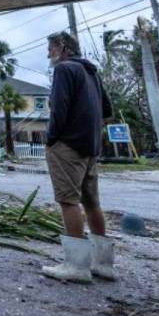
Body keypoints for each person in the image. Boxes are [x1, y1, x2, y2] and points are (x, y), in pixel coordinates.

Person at [42, 31, 114, 283]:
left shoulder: (64, 70)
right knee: (92, 202)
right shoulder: (91, 72)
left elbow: (58, 110)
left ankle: (76, 266)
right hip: (90, 145)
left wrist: (51, 138)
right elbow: (107, 109)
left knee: (68, 200)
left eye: (50, 48)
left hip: (68, 145)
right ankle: (104, 265)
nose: (48, 53)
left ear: (62, 47)